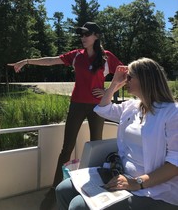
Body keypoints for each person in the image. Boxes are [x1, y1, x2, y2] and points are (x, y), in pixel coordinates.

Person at [8, 22, 123, 197]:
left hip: (98, 106)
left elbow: (125, 74)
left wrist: (109, 91)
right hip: (76, 104)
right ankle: (56, 188)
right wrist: (26, 61)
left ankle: (93, 186)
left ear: (97, 36)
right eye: (81, 34)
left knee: (95, 145)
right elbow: (51, 60)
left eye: (87, 34)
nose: (83, 38)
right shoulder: (76, 55)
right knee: (67, 147)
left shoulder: (106, 57)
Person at [56, 57, 178, 210]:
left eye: (129, 77)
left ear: (145, 79)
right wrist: (114, 84)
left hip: (155, 188)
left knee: (78, 206)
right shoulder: (132, 107)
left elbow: (175, 163)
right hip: (121, 175)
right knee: (63, 190)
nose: (126, 80)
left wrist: (136, 182)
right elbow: (102, 109)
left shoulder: (173, 113)